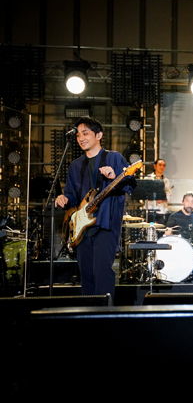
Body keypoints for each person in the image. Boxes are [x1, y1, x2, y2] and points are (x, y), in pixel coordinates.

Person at [55, 117, 135, 299]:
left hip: (106, 224)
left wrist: (115, 176)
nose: (80, 138)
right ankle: (89, 313)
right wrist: (63, 198)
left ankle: (105, 314)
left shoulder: (113, 157)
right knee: (87, 274)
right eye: (78, 135)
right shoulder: (75, 166)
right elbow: (72, 196)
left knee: (102, 271)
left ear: (99, 135)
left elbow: (130, 184)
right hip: (82, 228)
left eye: (85, 133)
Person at [144, 158, 172, 224]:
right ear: (155, 166)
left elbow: (170, 197)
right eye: (160, 165)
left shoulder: (166, 181)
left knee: (161, 228)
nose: (162, 167)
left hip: (162, 211)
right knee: (150, 228)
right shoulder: (148, 178)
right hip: (150, 210)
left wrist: (163, 200)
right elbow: (144, 194)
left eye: (164, 165)